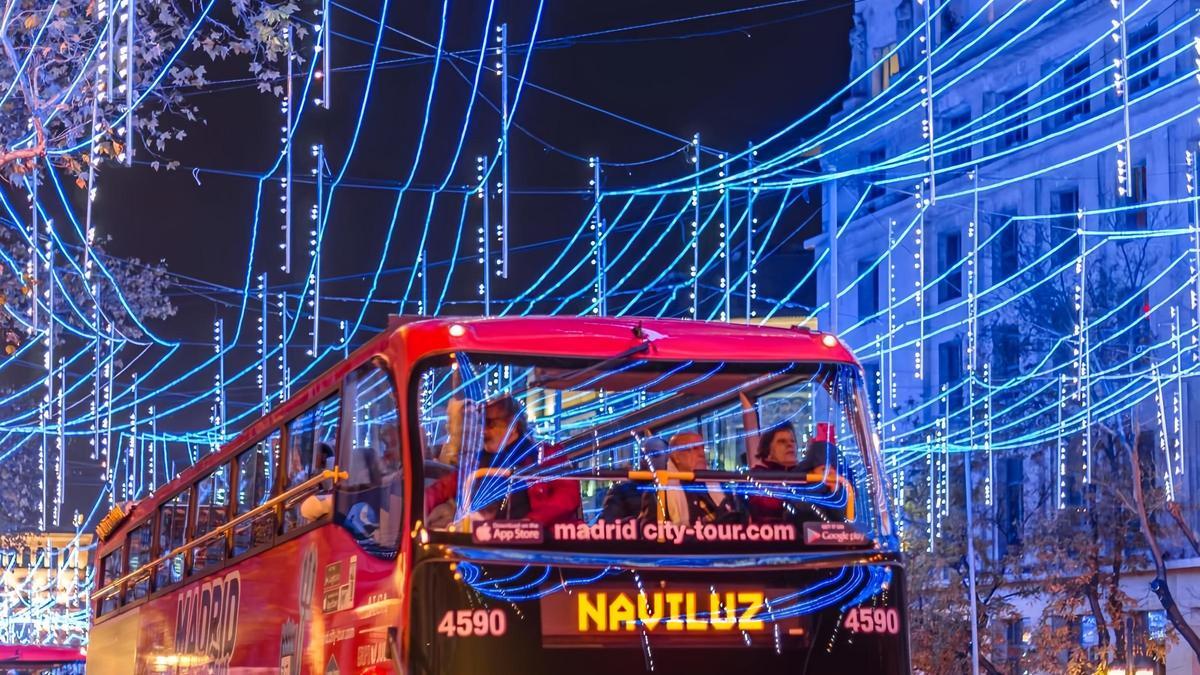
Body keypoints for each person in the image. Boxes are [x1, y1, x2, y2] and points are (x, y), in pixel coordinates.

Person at [424, 394, 580, 527]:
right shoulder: (476, 463)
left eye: (490, 423)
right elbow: (442, 488)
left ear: (513, 426)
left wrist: (530, 524)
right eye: (481, 423)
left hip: (534, 551)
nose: (483, 430)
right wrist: (419, 507)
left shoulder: (544, 455)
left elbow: (567, 496)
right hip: (482, 549)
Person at [643, 431, 741, 525]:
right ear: (676, 456)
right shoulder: (658, 491)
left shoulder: (719, 485)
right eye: (694, 449)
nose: (701, 454)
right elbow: (650, 532)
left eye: (702, 448)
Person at [599, 436, 666, 521]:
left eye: (655, 455)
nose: (647, 459)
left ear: (667, 458)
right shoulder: (621, 490)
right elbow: (607, 526)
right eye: (643, 455)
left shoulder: (677, 488)